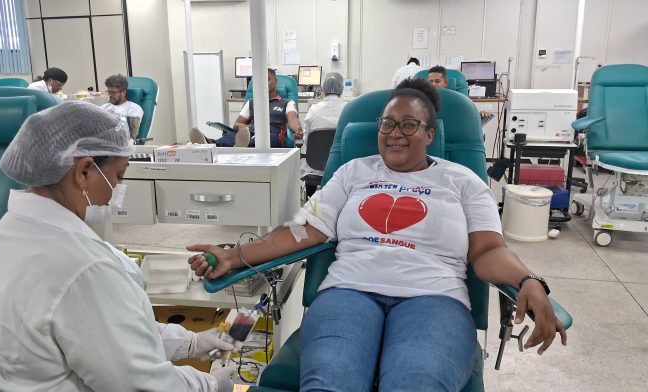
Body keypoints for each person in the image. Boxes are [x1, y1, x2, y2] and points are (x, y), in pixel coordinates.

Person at [188, 79, 567, 391]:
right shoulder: (354, 172)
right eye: (387, 123)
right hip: (348, 293)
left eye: (408, 125)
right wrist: (233, 256)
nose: (394, 134)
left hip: (434, 300)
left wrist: (527, 278)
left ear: (430, 133)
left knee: (415, 384)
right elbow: (306, 231)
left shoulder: (462, 181)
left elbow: (488, 250)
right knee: (330, 383)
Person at [0, 101, 235, 392]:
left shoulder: (10, 230)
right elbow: (137, 382)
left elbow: (103, 332)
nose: (119, 189)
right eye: (119, 176)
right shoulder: (82, 265)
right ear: (85, 171)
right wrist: (210, 385)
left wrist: (188, 343)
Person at [189, 68, 303, 148]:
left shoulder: (287, 102)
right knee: (231, 135)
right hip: (250, 133)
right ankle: (208, 144)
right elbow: (237, 125)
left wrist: (298, 130)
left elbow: (293, 119)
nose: (264, 83)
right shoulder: (252, 102)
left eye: (268, 79)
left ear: (276, 81)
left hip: (273, 136)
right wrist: (250, 128)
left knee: (260, 138)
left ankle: (243, 146)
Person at [302, 72, 348, 197]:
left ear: (323, 89)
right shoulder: (349, 109)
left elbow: (307, 139)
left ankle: (309, 201)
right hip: (342, 166)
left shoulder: (313, 109)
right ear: (342, 89)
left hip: (316, 167)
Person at [428, 65, 492, 119]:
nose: (433, 84)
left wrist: (479, 115)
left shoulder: (456, 100)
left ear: (446, 82)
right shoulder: (423, 99)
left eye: (437, 81)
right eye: (430, 81)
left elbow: (467, 114)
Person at [100, 74, 145, 139]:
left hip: (118, 145)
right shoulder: (104, 107)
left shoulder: (134, 108)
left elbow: (132, 135)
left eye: (113, 93)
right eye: (109, 92)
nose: (110, 95)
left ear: (123, 92)